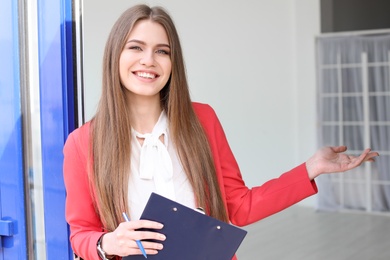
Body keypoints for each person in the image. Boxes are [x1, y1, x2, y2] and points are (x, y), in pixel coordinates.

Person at [63, 4, 379, 260]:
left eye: (163, 51)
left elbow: (238, 205)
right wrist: (108, 244)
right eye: (136, 47)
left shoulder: (202, 119)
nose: (149, 60)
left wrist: (312, 168)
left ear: (174, 62)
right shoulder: (83, 143)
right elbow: (81, 234)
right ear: (115, 55)